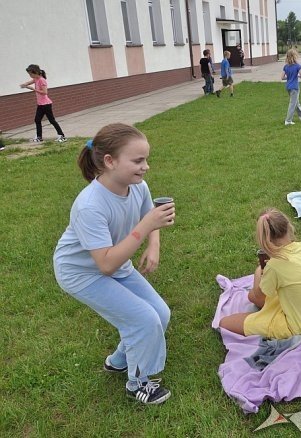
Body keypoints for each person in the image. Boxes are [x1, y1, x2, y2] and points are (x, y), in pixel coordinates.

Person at [53, 123, 176, 404]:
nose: (145, 167)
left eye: (146, 159)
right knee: (143, 319)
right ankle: (139, 384)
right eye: (137, 160)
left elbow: (150, 215)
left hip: (115, 262)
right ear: (110, 161)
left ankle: (119, 360)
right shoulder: (90, 205)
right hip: (82, 273)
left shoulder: (137, 186)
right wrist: (145, 228)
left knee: (160, 313)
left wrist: (153, 244)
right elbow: (105, 264)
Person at [219, 208, 301, 339]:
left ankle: (267, 320)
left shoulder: (274, 266)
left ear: (265, 238)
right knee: (252, 297)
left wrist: (259, 271)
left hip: (300, 327)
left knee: (224, 323)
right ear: (288, 226)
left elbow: (259, 295)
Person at [20, 64, 67, 143]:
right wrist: (24, 85)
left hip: (46, 104)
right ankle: (39, 137)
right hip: (40, 104)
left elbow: (45, 92)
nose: (30, 75)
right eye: (29, 74)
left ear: (35, 72)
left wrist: (33, 89)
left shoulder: (42, 80)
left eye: (31, 74)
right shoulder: (36, 79)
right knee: (37, 120)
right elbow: (28, 82)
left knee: (52, 120)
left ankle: (62, 135)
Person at [281, 48, 301, 126]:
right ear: (295, 56)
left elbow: (282, 77)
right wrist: (297, 75)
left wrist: (289, 77)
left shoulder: (286, 66)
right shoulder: (298, 66)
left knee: (296, 102)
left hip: (288, 87)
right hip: (294, 87)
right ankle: (288, 121)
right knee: (293, 103)